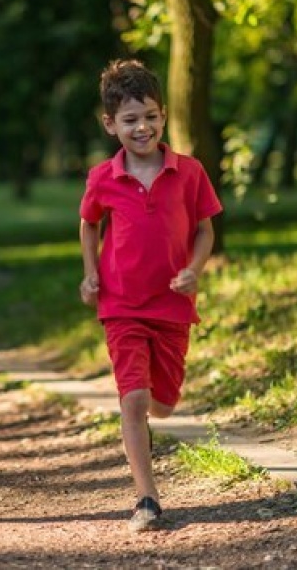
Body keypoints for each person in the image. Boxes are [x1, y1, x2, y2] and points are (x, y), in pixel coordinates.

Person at [78, 59, 222, 533]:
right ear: (110, 124)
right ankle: (146, 498)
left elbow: (204, 230)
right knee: (134, 400)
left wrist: (192, 270)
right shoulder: (102, 177)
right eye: (130, 119)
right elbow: (88, 223)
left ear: (163, 116)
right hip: (120, 305)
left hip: (172, 307)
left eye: (151, 117)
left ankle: (152, 411)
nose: (142, 127)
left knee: (164, 401)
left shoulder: (189, 171)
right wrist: (90, 274)